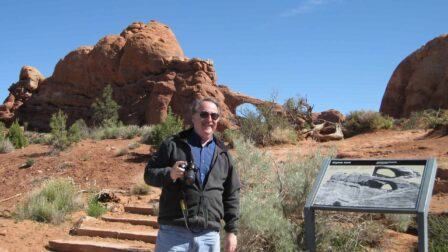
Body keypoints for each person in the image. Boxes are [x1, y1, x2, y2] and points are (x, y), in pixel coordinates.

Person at [144, 97, 240, 252]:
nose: (209, 119)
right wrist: (170, 174)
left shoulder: (223, 153)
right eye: (204, 114)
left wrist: (231, 231)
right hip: (174, 232)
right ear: (194, 116)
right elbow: (149, 174)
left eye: (214, 116)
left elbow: (231, 194)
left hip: (209, 235)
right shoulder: (174, 144)